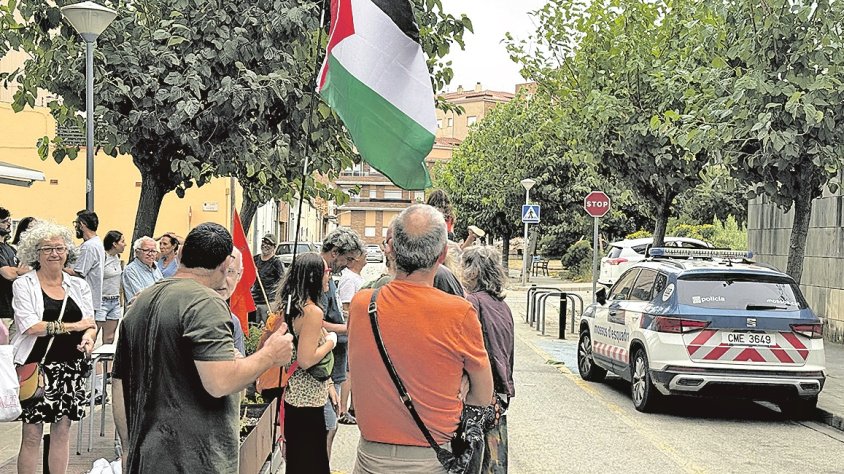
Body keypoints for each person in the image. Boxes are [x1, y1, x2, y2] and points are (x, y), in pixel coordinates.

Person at [111, 222, 295, 473]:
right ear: (223, 265)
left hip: (147, 459)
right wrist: (270, 354)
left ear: (181, 256)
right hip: (194, 462)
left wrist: (128, 448)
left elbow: (119, 382)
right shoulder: (206, 302)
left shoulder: (141, 301)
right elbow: (220, 382)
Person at [348, 204, 493, 473]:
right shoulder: (459, 313)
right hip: (431, 460)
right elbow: (483, 395)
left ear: (390, 248)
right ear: (443, 254)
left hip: (370, 458)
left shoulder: (362, 305)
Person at [11, 221, 97, 474]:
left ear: (67, 251)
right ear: (34, 253)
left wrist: (89, 337)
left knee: (63, 430)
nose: (54, 253)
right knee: (31, 433)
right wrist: (75, 327)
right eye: (47, 248)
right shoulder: (24, 284)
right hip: (37, 368)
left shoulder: (78, 285)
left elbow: (89, 323)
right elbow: (31, 326)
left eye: (59, 248)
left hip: (71, 367)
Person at [275, 252, 337, 474]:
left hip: (295, 400)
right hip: (307, 404)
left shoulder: (292, 308)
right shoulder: (312, 312)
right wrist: (331, 342)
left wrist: (329, 384)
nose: (328, 276)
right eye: (326, 272)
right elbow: (306, 359)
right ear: (314, 276)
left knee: (298, 464)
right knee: (313, 465)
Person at [462, 246, 516, 474]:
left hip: (480, 393)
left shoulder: (471, 303)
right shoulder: (502, 305)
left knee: (471, 461)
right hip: (499, 393)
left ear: (473, 272)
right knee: (494, 463)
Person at [319, 227, 365, 462]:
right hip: (324, 371)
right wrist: (347, 328)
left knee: (331, 426)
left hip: (333, 367)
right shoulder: (319, 275)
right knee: (327, 428)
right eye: (347, 259)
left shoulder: (329, 275)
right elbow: (313, 322)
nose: (348, 265)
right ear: (335, 252)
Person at [336, 253, 367, 425]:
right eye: (363, 254)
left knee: (355, 370)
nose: (366, 256)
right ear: (354, 258)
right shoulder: (349, 279)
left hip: (357, 330)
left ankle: (354, 407)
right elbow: (346, 307)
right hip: (349, 330)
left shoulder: (355, 277)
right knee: (348, 371)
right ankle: (343, 410)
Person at [64, 210, 105, 318]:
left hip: (83, 298)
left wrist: (58, 267)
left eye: (76, 224)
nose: (75, 227)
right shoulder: (97, 242)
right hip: (90, 297)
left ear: (82, 225)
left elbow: (78, 273)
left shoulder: (89, 247)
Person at [216, 248, 246, 356]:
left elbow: (241, 371)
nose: (222, 279)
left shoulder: (233, 322)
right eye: (218, 270)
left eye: (230, 271)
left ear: (240, 274)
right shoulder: (186, 311)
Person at [98, 230, 126, 344]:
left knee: (110, 337)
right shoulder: (103, 257)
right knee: (93, 334)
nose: (125, 244)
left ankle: (107, 362)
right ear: (114, 244)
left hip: (114, 300)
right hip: (101, 301)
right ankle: (87, 360)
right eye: (122, 241)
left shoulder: (117, 258)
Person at [251, 233, 285, 325]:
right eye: (264, 242)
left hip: (269, 302)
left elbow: (283, 282)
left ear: (274, 247)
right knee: (253, 328)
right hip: (254, 301)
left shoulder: (276, 262)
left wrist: (279, 301)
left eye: (269, 243)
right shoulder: (255, 259)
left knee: (269, 328)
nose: (265, 245)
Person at [121, 236, 163, 304]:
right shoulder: (131, 270)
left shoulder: (156, 266)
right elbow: (141, 297)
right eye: (146, 250)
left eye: (153, 251)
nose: (150, 254)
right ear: (137, 252)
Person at [0, 208, 20, 343]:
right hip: (2, 312)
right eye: (4, 221)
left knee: (11, 352)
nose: (8, 224)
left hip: (13, 310)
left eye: (9, 220)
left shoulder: (10, 249)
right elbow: (8, 273)